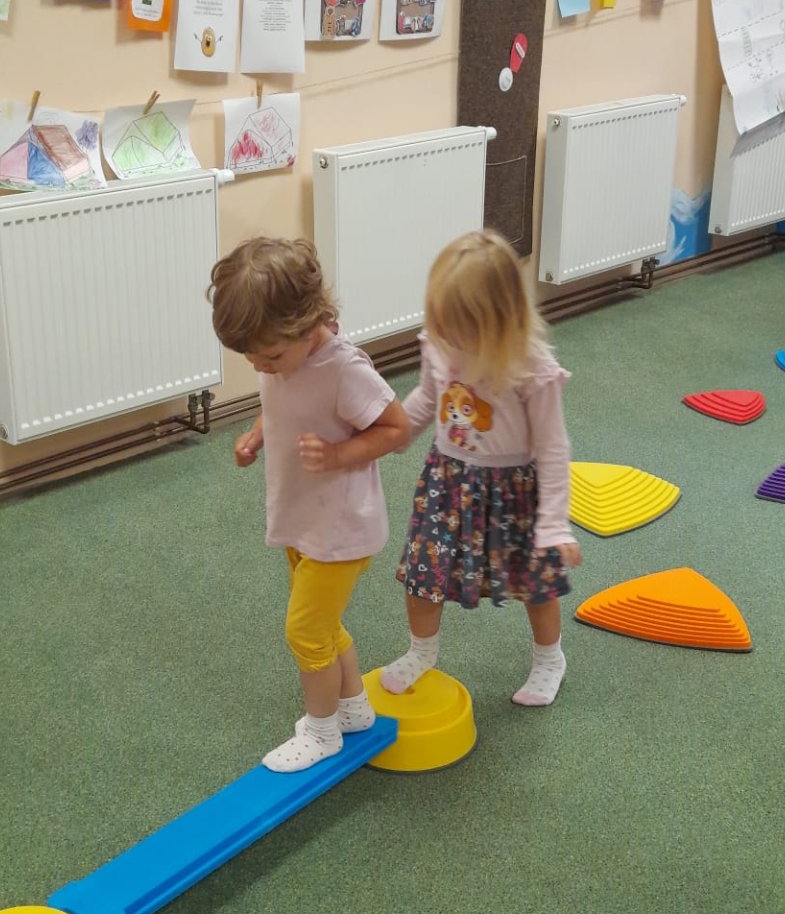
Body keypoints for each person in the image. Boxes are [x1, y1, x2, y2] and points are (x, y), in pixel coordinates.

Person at [209, 236, 411, 773]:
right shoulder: (280, 359)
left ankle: (322, 734)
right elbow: (282, 401)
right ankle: (353, 710)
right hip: (302, 515)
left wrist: (340, 453)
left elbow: (397, 429)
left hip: (341, 528)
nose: (262, 366)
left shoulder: (344, 369)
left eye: (270, 356)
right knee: (323, 625)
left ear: (307, 323)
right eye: (250, 357)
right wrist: (257, 434)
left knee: (303, 631)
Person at [379, 230, 582, 709]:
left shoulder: (530, 364)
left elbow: (553, 447)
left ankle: (549, 657)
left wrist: (554, 524)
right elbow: (429, 396)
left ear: (499, 320)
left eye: (460, 326)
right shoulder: (439, 343)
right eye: (441, 321)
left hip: (515, 490)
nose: (448, 336)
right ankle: (421, 651)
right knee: (422, 571)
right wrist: (395, 432)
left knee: (534, 582)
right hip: (448, 481)